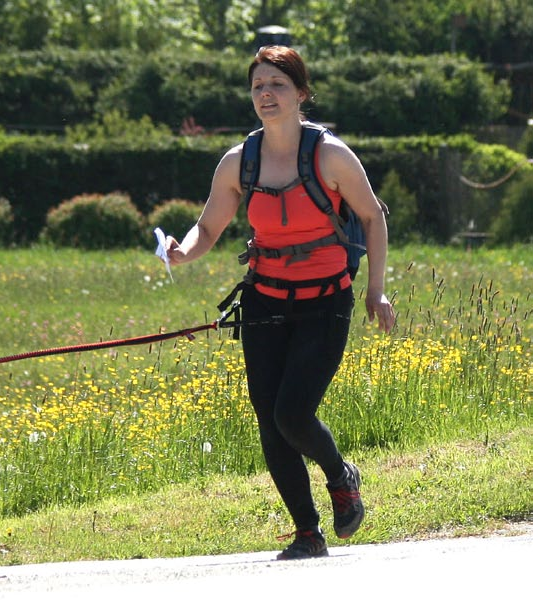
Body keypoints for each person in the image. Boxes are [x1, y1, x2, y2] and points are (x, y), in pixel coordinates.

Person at [164, 45, 395, 560]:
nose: (265, 95)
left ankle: (340, 475)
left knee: (293, 413)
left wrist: (375, 290)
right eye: (258, 87)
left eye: (277, 85)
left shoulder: (330, 155)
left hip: (325, 303)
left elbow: (373, 216)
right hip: (265, 302)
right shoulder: (238, 161)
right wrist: (184, 252)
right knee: (270, 419)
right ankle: (307, 533)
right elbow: (209, 226)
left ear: (301, 93)